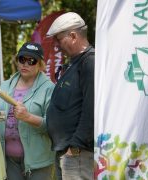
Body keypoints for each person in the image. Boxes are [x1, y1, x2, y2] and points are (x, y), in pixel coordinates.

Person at [0, 42, 55, 180]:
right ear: (17, 61)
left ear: (40, 65)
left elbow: (54, 126)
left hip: (38, 161)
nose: (25, 64)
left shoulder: (49, 88)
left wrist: (27, 117)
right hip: (8, 159)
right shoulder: (4, 85)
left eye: (31, 60)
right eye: (22, 59)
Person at [46, 12, 95, 180]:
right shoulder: (75, 63)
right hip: (67, 151)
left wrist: (75, 147)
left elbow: (91, 108)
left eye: (58, 39)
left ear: (73, 36)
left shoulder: (89, 62)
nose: (56, 45)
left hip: (78, 153)